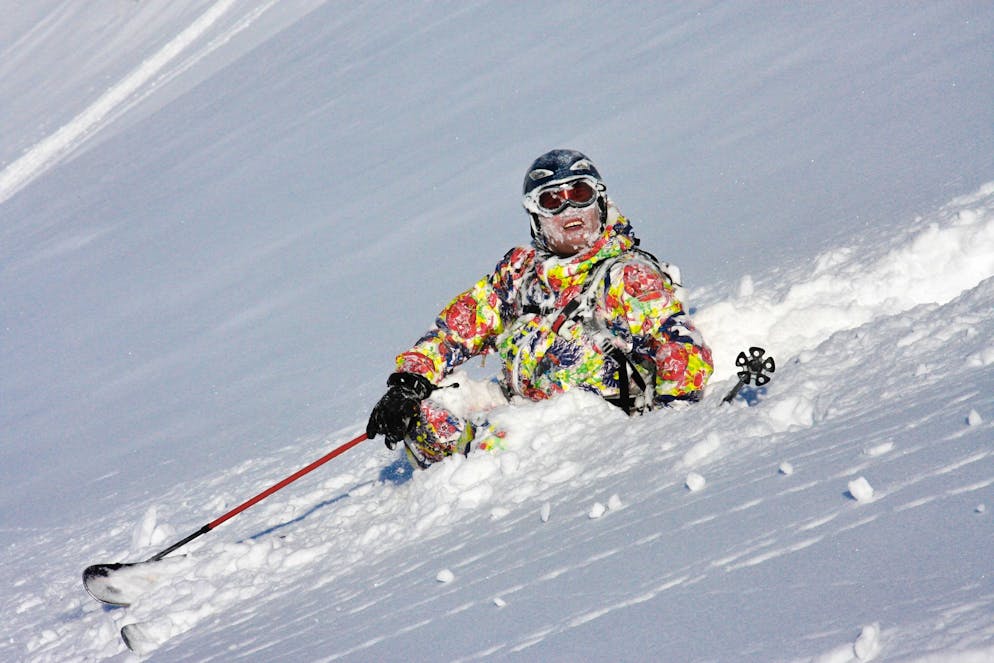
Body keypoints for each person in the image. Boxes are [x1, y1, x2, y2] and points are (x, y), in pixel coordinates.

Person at [366, 149, 713, 468]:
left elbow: (682, 348)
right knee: (423, 413)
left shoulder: (626, 276)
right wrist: (409, 380)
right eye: (552, 200)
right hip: (519, 417)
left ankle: (477, 473)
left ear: (600, 201)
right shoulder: (521, 272)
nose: (569, 209)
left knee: (492, 446)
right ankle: (460, 472)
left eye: (579, 193)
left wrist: (667, 429)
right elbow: (459, 327)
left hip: (588, 435)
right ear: (536, 215)